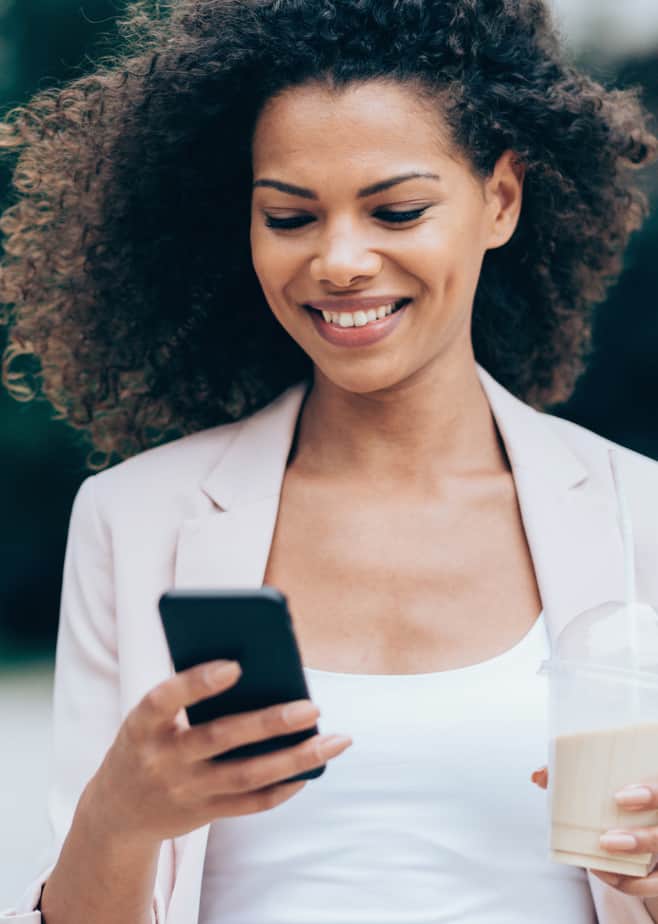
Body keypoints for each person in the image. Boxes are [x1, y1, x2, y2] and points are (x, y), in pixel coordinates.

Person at [0, 0, 657, 921]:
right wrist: (118, 818)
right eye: (290, 217)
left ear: (500, 200)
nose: (340, 261)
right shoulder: (134, 519)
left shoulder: (641, 516)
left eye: (397, 209)